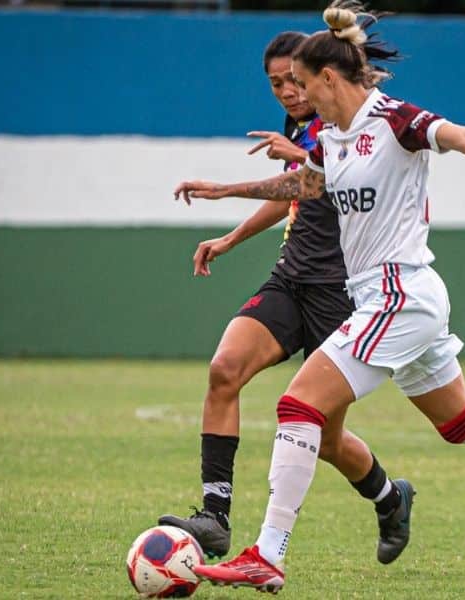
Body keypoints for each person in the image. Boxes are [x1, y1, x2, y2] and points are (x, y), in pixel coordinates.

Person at [175, 2, 465, 593]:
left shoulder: (396, 120)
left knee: (298, 407)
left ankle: (267, 552)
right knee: (462, 421)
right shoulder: (333, 137)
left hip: (399, 292)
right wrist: (225, 193)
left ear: (329, 80)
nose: (298, 94)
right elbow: (306, 183)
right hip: (387, 299)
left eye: (304, 83)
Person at [158, 31, 415, 567]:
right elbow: (296, 189)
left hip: (346, 294)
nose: (287, 92)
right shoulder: (302, 124)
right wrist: (231, 237)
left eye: (294, 81)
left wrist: (294, 157)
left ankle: (390, 498)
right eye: (276, 83)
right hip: (291, 279)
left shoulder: (351, 118)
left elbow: (319, 176)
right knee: (224, 369)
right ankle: (215, 516)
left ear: (318, 74)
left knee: (326, 436)